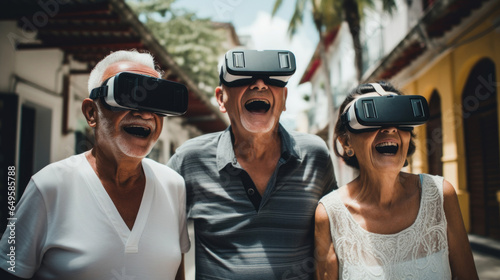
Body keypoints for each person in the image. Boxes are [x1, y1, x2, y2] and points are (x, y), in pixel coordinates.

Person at [0, 50, 190, 280]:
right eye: (129, 94)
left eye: (155, 101)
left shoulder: (173, 185)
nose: (145, 113)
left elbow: (178, 272)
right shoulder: (49, 186)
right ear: (92, 113)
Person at [167, 49, 336, 279]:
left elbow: (331, 245)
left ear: (284, 99)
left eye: (271, 79)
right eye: (244, 78)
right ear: (221, 98)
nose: (259, 85)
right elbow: (164, 247)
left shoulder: (315, 156)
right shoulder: (190, 161)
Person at [314, 81, 478, 279]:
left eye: (398, 118)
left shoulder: (441, 195)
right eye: (373, 117)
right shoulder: (330, 214)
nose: (390, 128)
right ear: (346, 142)